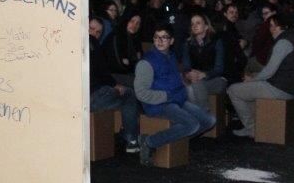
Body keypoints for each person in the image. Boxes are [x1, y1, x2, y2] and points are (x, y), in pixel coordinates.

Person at [134, 24, 216, 165]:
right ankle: (149, 141)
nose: (159, 41)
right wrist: (166, 96)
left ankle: (175, 140)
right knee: (192, 125)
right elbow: (141, 93)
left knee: (209, 120)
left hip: (176, 99)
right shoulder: (146, 62)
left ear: (171, 41)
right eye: (156, 37)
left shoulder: (171, 57)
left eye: (164, 37)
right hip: (159, 104)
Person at [227, 14, 294, 138]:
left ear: (281, 27)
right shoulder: (293, 39)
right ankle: (258, 125)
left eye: (274, 26)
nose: (272, 29)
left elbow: (269, 71)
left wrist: (252, 79)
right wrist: (254, 78)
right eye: (271, 26)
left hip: (280, 89)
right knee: (250, 88)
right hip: (289, 87)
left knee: (233, 90)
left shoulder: (283, 42)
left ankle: (251, 128)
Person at [89, 17, 140, 152]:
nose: (94, 33)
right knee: (129, 94)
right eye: (91, 29)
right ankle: (132, 140)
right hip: (92, 96)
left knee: (124, 96)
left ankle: (125, 130)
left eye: (98, 32)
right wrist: (114, 84)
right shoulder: (91, 43)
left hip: (88, 95)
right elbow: (101, 71)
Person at [181, 13, 228, 106]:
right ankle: (203, 117)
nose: (194, 26)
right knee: (190, 86)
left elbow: (219, 69)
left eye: (198, 23)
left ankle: (203, 116)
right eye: (192, 24)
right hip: (195, 79)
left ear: (206, 26)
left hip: (216, 79)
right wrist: (189, 74)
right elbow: (186, 67)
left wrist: (204, 74)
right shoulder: (188, 44)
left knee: (195, 85)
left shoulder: (216, 41)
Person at [104, 10, 143, 85]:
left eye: (138, 23)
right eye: (132, 21)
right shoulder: (117, 36)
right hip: (112, 75)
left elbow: (139, 58)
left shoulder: (135, 38)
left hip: (128, 72)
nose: (134, 25)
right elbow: (120, 64)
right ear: (126, 21)